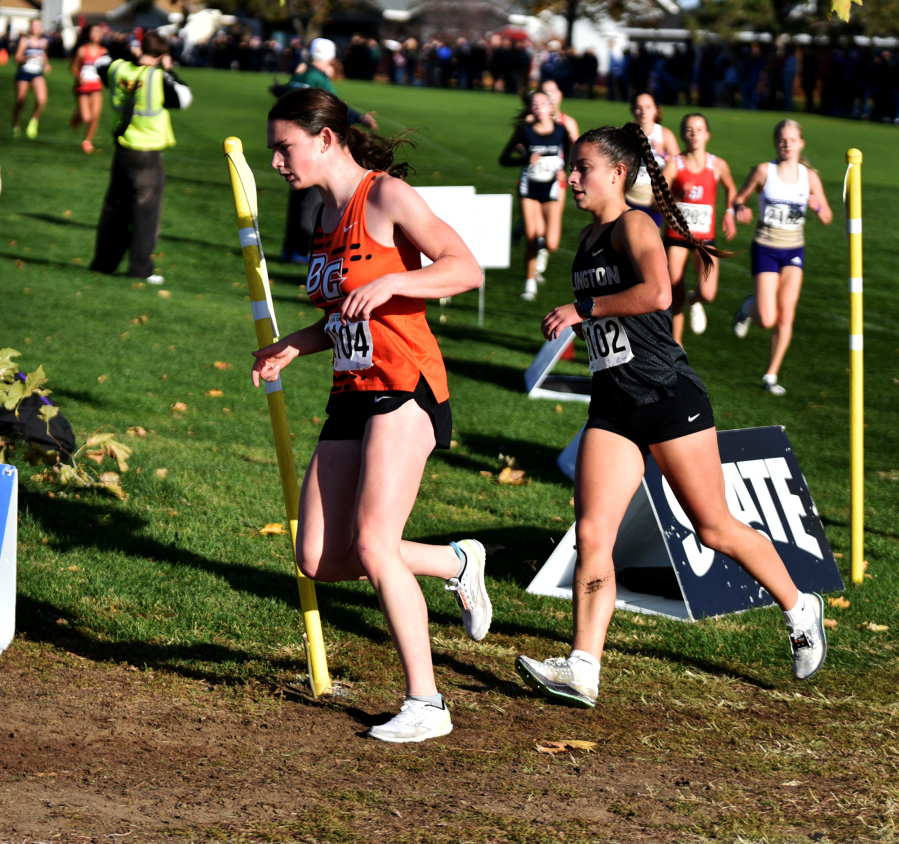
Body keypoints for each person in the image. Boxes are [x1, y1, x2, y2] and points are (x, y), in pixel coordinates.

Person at [515, 124, 827, 708]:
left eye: (582, 167)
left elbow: (659, 294)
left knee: (713, 528)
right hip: (613, 405)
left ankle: (798, 605)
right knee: (592, 536)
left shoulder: (636, 223)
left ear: (617, 173)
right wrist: (590, 323)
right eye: (571, 168)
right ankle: (584, 665)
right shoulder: (587, 237)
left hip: (666, 396)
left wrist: (583, 308)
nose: (571, 177)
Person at [253, 88, 491, 743]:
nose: (276, 162)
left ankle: (427, 703)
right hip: (350, 391)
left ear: (326, 139)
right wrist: (293, 345)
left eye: (284, 147)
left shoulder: (383, 196)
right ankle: (453, 563)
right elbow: (343, 315)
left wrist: (395, 282)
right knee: (318, 557)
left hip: (406, 385)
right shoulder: (324, 215)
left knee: (374, 542)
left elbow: (463, 268)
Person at [731, 119, 832, 395]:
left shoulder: (809, 177)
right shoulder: (765, 171)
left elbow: (827, 216)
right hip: (766, 247)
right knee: (767, 319)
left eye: (792, 140)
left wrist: (818, 206)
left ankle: (770, 376)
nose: (786, 144)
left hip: (793, 250)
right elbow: (739, 197)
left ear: (801, 143)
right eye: (782, 140)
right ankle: (747, 308)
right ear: (776, 143)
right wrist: (740, 208)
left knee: (786, 314)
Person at [89, 31, 192, 285]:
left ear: (140, 47)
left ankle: (104, 263)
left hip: (123, 148)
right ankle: (140, 268)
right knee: (146, 214)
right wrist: (169, 70)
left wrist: (127, 53)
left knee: (115, 210)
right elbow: (184, 97)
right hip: (147, 153)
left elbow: (101, 62)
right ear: (162, 55)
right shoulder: (158, 76)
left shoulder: (119, 69)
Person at [272, 37, 378, 266]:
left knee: (297, 199)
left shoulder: (300, 75)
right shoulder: (320, 80)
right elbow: (333, 108)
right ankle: (303, 250)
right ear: (330, 56)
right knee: (311, 202)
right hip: (311, 147)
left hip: (292, 144)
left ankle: (289, 249)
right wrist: (359, 117)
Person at [661, 113, 738, 345]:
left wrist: (729, 214)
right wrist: (672, 196)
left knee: (708, 293)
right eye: (689, 130)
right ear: (683, 134)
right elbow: (657, 197)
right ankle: (677, 347)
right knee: (675, 294)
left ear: (707, 135)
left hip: (704, 237)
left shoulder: (718, 165)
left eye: (699, 129)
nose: (694, 134)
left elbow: (731, 189)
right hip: (677, 236)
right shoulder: (675, 164)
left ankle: (696, 301)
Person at [500, 90, 570, 301]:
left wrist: (563, 170)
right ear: (531, 109)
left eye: (543, 103)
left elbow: (568, 157)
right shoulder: (525, 130)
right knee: (532, 238)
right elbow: (504, 159)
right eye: (534, 104)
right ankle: (529, 283)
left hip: (550, 188)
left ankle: (526, 231)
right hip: (528, 188)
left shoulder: (561, 131)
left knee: (552, 243)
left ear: (551, 107)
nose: (538, 106)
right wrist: (526, 159)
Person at [625, 90, 679, 227]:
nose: (643, 111)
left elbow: (679, 165)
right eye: (638, 107)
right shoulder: (627, 133)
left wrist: (664, 154)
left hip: (654, 199)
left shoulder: (664, 134)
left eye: (648, 107)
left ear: (656, 109)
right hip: (628, 195)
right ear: (633, 110)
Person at [70, 24, 108, 154]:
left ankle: (87, 141)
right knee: (86, 117)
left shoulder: (104, 52)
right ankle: (78, 114)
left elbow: (107, 69)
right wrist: (79, 77)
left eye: (99, 32)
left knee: (95, 115)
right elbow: (73, 67)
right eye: (94, 31)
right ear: (89, 34)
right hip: (83, 87)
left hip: (97, 87)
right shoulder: (82, 50)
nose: (97, 34)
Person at [11, 19, 50, 140]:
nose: (36, 28)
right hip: (24, 73)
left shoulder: (43, 42)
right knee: (21, 100)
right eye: (34, 25)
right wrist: (27, 57)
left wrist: (46, 64)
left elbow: (43, 54)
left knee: (42, 99)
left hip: (37, 73)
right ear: (30, 27)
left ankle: (34, 120)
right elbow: (17, 57)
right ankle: (16, 124)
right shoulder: (24, 40)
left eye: (39, 25)